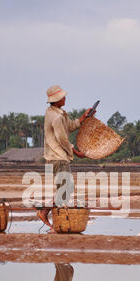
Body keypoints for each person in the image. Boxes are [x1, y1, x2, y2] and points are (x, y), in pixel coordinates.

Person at [37, 85, 94, 232]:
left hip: (57, 157)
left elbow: (70, 126)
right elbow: (62, 138)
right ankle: (50, 219)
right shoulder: (55, 117)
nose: (65, 98)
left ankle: (46, 213)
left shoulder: (57, 113)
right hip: (58, 157)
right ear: (56, 100)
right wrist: (76, 152)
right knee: (66, 188)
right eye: (62, 97)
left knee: (64, 188)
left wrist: (84, 117)